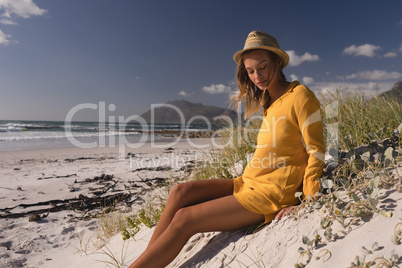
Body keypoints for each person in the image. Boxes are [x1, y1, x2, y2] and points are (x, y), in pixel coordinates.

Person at [129, 30, 325, 268]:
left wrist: (307, 200)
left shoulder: (301, 95)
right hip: (248, 181)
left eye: (262, 67)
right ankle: (149, 259)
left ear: (277, 61)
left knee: (184, 218)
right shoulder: (268, 103)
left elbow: (317, 149)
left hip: (270, 194)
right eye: (250, 71)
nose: (257, 76)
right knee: (180, 192)